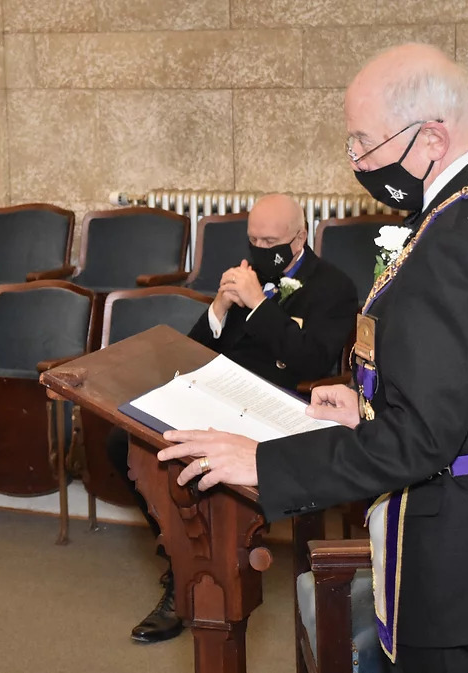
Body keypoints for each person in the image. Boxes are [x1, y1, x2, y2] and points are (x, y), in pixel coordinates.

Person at [158, 43, 468, 673]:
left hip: (467, 559)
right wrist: (371, 406)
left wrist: (263, 462)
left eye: (364, 141)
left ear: (432, 138)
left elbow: (422, 441)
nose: (357, 160)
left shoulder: (456, 241)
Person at [110, 192, 358, 643]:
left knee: (195, 464)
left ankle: (195, 577)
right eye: (253, 240)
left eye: (270, 242)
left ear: (300, 237)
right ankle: (183, 561)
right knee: (126, 442)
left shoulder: (333, 287)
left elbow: (311, 360)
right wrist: (219, 309)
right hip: (220, 396)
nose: (260, 249)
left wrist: (260, 306)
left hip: (278, 407)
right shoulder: (245, 274)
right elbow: (194, 352)